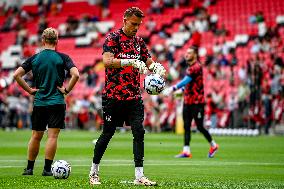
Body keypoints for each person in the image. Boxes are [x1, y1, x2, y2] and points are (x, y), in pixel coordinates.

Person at [89, 7, 165, 186]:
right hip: (113, 96)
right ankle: (94, 172)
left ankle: (139, 176)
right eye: (133, 24)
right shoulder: (112, 38)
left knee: (139, 132)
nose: (136, 28)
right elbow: (107, 62)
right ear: (124, 20)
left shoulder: (139, 42)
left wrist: (157, 68)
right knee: (107, 133)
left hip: (133, 97)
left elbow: (149, 63)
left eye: (138, 25)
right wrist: (129, 61)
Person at [13, 27, 80, 176]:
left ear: (43, 40)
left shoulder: (34, 58)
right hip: (56, 101)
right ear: (57, 41)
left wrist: (30, 90)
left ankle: (29, 169)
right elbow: (76, 74)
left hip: (40, 102)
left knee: (36, 136)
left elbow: (17, 75)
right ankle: (47, 169)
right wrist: (66, 90)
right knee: (52, 136)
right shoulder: (63, 57)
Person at [163, 46, 219, 158]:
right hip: (188, 101)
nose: (186, 55)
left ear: (195, 55)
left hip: (197, 102)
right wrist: (181, 91)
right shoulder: (190, 68)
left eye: (189, 53)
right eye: (186, 53)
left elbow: (186, 80)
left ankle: (213, 145)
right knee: (187, 126)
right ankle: (186, 151)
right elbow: (189, 84)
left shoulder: (196, 67)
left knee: (199, 126)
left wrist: (173, 88)